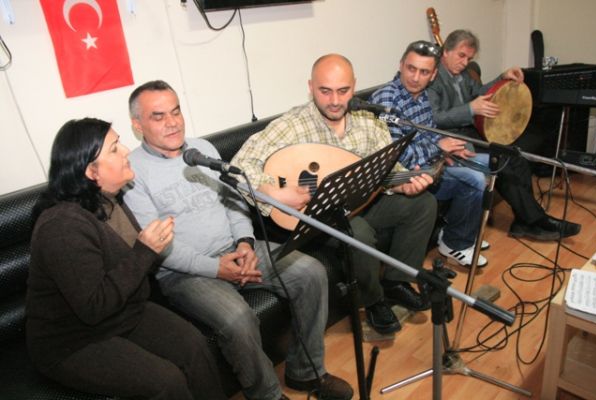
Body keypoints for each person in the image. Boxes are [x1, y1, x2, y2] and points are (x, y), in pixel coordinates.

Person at [123, 80, 352, 400]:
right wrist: (218, 268)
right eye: (158, 116)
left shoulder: (202, 150)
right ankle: (267, 395)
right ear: (137, 125)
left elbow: (233, 202)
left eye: (175, 111)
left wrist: (245, 242)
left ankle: (306, 371)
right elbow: (160, 246)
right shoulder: (132, 172)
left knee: (311, 273)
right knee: (238, 318)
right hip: (185, 274)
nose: (172, 122)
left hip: (238, 248)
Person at [231, 54, 438, 336]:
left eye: (343, 90)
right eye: (325, 91)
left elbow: (389, 169)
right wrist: (274, 193)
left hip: (363, 201)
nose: (335, 101)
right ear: (310, 87)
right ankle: (372, 301)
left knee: (424, 204)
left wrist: (403, 183)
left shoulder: (369, 121)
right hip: (320, 216)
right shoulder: (293, 124)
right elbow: (238, 166)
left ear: (354, 86)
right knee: (358, 232)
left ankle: (397, 281)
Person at [26, 118, 226, 400]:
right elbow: (94, 307)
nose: (126, 151)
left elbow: (135, 266)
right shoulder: (62, 226)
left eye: (119, 142)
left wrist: (156, 246)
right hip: (72, 340)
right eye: (114, 149)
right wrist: (146, 250)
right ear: (91, 171)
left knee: (195, 346)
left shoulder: (108, 200)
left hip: (123, 313)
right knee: (166, 382)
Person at [427, 29, 581, 240]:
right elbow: (435, 118)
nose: (464, 63)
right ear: (446, 51)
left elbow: (480, 93)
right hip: (451, 139)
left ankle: (525, 221)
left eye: (469, 59)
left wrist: (501, 78)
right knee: (503, 162)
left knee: (515, 157)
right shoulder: (433, 77)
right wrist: (470, 109)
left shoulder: (462, 74)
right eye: (461, 56)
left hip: (471, 132)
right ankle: (535, 221)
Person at [369, 40, 490, 268]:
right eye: (411, 68)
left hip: (433, 162)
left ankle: (460, 230)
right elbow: (397, 156)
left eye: (424, 72)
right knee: (474, 179)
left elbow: (429, 134)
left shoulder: (423, 95)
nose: (415, 78)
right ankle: (455, 243)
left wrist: (450, 149)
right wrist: (439, 148)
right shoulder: (387, 99)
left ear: (433, 75)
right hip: (408, 175)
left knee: (488, 163)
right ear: (401, 65)